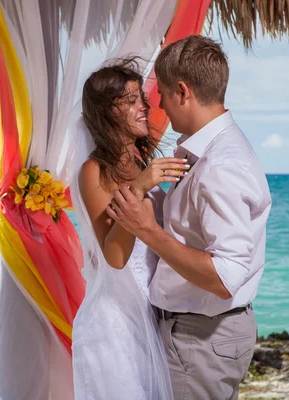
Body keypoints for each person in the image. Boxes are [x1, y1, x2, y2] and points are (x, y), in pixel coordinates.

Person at [107, 35, 272, 399]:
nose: (160, 105)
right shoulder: (208, 151)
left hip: (202, 339)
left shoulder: (221, 165)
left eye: (163, 94)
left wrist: (147, 230)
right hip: (200, 335)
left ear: (182, 91)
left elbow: (225, 277)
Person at [70, 58, 189, 400]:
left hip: (150, 316)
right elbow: (114, 257)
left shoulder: (140, 161)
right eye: (133, 100)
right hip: (114, 326)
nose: (145, 108)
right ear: (109, 110)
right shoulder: (93, 171)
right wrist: (137, 188)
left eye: (143, 100)